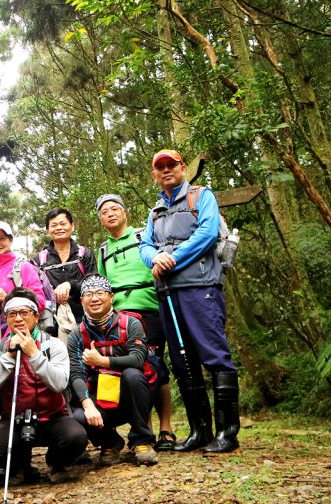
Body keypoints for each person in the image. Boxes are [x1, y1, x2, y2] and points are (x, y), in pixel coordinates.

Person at [139, 149, 241, 453]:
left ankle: (227, 433)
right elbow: (144, 245)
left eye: (173, 165)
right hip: (167, 293)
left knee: (214, 355)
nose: (167, 170)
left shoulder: (201, 196)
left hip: (201, 287)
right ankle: (200, 431)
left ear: (183, 168)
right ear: (154, 175)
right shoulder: (155, 211)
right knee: (183, 362)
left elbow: (208, 233)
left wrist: (171, 258)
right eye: (161, 167)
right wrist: (155, 257)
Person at [0, 288, 87, 485]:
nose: (18, 318)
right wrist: (9, 356)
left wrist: (34, 354)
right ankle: (20, 464)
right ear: (6, 318)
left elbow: (60, 383)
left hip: (53, 418)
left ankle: (56, 462)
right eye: (12, 314)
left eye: (24, 313)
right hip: (15, 420)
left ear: (36, 316)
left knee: (76, 438)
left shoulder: (54, 345)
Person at [95, 193, 176, 451]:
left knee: (156, 366)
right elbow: (103, 283)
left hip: (150, 308)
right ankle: (146, 429)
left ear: (125, 212)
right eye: (104, 211)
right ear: (100, 219)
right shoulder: (103, 249)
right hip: (120, 319)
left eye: (114, 208)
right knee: (134, 371)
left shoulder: (145, 237)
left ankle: (166, 428)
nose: (110, 213)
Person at [67, 275, 158, 466]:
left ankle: (141, 440)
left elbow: (138, 359)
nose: (94, 298)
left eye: (100, 293)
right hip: (99, 398)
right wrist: (87, 405)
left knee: (133, 375)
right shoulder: (77, 334)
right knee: (78, 415)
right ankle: (110, 442)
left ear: (111, 297)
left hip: (131, 396)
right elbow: (76, 373)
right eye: (88, 294)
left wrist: (102, 361)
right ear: (82, 300)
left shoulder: (130, 324)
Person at [31, 208, 95, 342]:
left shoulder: (84, 254)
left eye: (63, 224)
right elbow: (34, 290)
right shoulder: (39, 259)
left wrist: (70, 285)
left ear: (72, 226)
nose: (59, 228)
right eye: (54, 225)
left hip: (84, 319)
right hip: (50, 323)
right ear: (47, 230)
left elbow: (93, 283)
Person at [0, 221, 47, 343]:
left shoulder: (23, 267)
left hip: (23, 336)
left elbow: (40, 302)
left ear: (10, 240)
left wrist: (8, 299)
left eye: (2, 238)